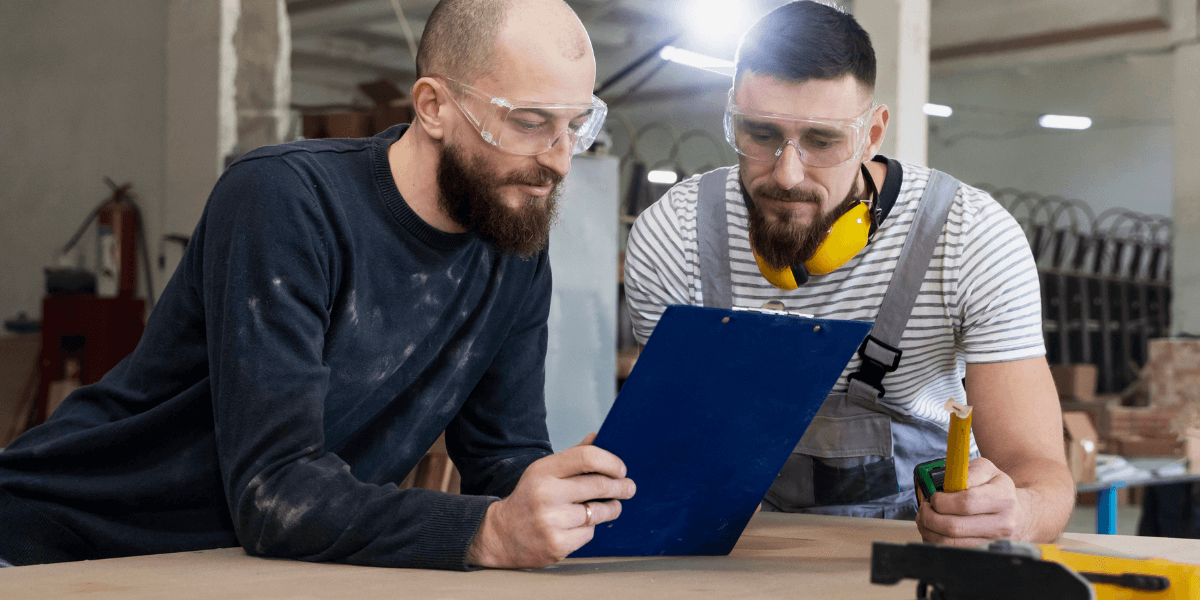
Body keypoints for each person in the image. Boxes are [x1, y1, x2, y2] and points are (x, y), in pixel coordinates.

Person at [0, 0, 634, 570]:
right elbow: (275, 490)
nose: (557, 158)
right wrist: (489, 533)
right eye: (528, 122)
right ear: (434, 107)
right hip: (64, 542)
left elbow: (501, 459)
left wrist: (559, 494)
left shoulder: (512, 240)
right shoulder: (284, 201)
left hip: (231, 564)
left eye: (575, 125)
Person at [624, 0, 1074, 546]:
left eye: (821, 141)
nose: (787, 175)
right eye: (761, 134)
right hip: (739, 546)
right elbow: (672, 442)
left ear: (872, 133)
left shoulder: (969, 237)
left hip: (923, 546)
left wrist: (1016, 514)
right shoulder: (674, 235)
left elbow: (1040, 474)